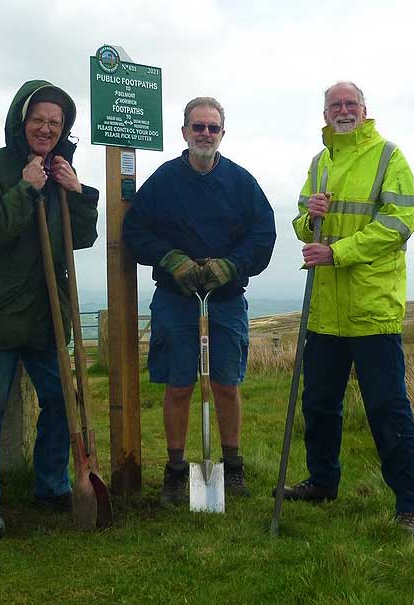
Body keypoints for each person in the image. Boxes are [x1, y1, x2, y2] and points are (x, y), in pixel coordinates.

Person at [0, 80, 99, 538]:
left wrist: (77, 193)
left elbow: (82, 238)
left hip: (46, 316)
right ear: (22, 119)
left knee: (62, 401)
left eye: (55, 122)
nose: (46, 128)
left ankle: (51, 485)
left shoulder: (60, 170)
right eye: (38, 119)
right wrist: (24, 188)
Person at [285, 81, 414, 536]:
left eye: (350, 104)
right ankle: (323, 483)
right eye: (334, 105)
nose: (343, 110)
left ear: (364, 110)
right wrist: (312, 217)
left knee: (387, 408)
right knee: (319, 404)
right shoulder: (319, 162)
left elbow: (400, 224)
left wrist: (337, 252)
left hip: (371, 311)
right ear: (325, 114)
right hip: (325, 311)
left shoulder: (389, 157)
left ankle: (410, 504)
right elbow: (302, 224)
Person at [123, 97, 276, 505]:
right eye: (198, 127)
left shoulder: (242, 184)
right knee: (179, 386)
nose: (205, 134)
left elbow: (263, 236)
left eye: (213, 127)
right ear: (185, 131)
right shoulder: (165, 181)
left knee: (226, 385)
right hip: (176, 299)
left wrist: (232, 265)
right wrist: (170, 259)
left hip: (224, 301)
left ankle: (232, 468)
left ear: (222, 133)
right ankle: (175, 472)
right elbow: (135, 231)